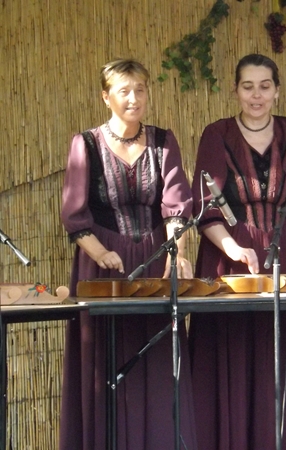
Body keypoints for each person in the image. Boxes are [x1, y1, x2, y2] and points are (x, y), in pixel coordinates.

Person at [188, 53, 286, 450]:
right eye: (248, 87)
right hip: (227, 257)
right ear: (236, 90)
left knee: (283, 351)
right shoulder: (216, 134)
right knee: (231, 350)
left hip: (285, 254)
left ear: (277, 90)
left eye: (264, 86)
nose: (256, 95)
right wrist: (232, 247)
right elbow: (206, 206)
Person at [59, 59, 197, 450]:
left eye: (140, 89)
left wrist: (175, 252)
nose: (134, 98)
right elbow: (74, 215)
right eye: (124, 91)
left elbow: (176, 205)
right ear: (106, 97)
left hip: (154, 259)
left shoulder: (163, 141)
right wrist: (101, 252)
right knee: (104, 360)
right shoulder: (85, 144)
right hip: (102, 265)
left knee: (156, 359)